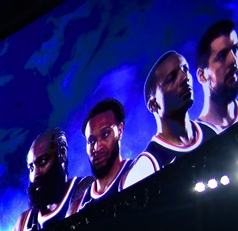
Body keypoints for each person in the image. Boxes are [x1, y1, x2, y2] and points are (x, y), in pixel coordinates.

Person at [129, 50, 218, 185]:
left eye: (185, 69)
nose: (184, 77)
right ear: (153, 104)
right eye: (171, 78)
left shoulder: (210, 131)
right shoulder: (148, 165)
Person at [71, 98, 144, 215]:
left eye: (105, 134)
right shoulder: (80, 205)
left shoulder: (140, 171)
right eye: (91, 141)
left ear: (120, 131)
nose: (97, 147)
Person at [11, 129, 77, 231]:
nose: (35, 174)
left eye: (42, 161)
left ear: (62, 153)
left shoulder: (85, 192)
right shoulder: (23, 224)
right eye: (31, 168)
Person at [195, 20, 237, 131]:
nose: (233, 60)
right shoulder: (199, 141)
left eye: (235, 49)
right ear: (202, 75)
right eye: (222, 56)